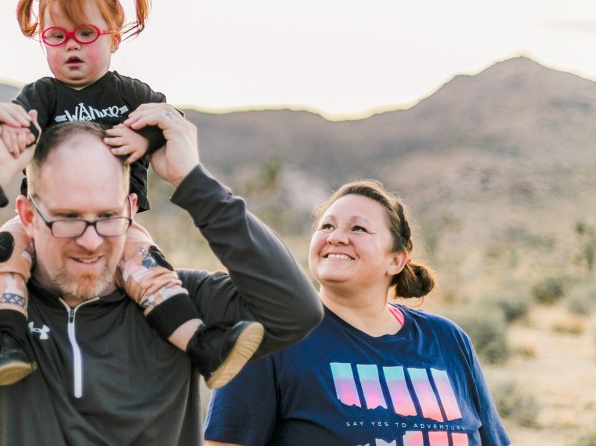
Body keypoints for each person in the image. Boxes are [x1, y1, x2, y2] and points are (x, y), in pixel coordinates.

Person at [0, 101, 323, 445]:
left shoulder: (181, 299)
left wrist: (193, 183)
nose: (92, 240)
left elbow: (295, 311)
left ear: (133, 208)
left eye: (108, 216)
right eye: (68, 217)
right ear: (28, 214)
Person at [0, 0, 262, 391]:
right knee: (3, 253)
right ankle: (7, 343)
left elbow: (168, 120)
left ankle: (203, 345)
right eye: (56, 37)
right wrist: (16, 136)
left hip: (115, 223)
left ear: (114, 36)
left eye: (85, 34)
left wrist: (144, 139)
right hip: (41, 220)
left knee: (148, 269)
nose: (71, 47)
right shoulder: (42, 94)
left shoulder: (130, 93)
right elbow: (21, 125)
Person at [203, 180, 511, 446]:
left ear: (397, 260)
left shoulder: (447, 341)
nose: (336, 237)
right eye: (327, 226)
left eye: (358, 228)